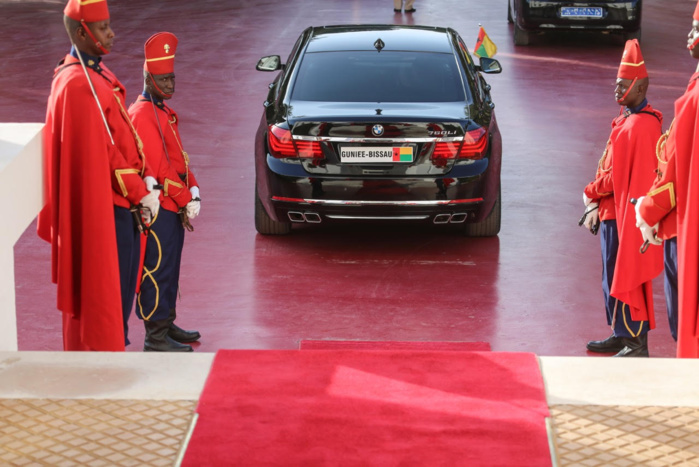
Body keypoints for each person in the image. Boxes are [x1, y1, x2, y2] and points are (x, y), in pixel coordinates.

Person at [37, 0, 160, 351]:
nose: (112, 33)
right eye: (103, 28)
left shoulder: (96, 74)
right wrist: (141, 192)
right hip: (109, 209)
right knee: (109, 298)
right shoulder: (77, 84)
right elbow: (103, 153)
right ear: (81, 32)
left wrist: (147, 176)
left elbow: (124, 136)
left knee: (121, 295)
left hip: (126, 203)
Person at [581, 39, 664, 357]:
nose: (617, 91)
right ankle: (620, 333)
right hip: (614, 212)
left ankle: (635, 341)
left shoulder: (636, 127)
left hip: (623, 214)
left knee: (625, 275)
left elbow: (617, 178)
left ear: (641, 88)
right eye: (616, 85)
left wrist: (590, 191)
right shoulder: (633, 121)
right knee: (612, 275)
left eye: (624, 86)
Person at [129, 32, 202, 352]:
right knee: (157, 270)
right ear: (147, 77)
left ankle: (167, 322)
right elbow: (159, 168)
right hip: (160, 207)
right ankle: (155, 337)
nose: (170, 84)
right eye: (163, 79)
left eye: (172, 77)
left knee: (170, 268)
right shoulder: (144, 113)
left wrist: (195, 187)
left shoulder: (161, 111)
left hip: (173, 206)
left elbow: (179, 158)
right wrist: (187, 199)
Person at [636, 1, 699, 358]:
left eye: (695, 29)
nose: (688, 35)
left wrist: (647, 211)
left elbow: (673, 173)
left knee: (683, 318)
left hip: (684, 225)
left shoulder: (693, 99)